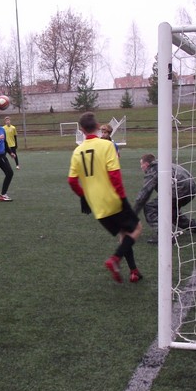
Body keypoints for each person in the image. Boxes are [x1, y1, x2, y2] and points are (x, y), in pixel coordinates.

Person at [68, 112, 143, 283]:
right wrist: (122, 198)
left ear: (81, 130)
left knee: (124, 233)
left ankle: (134, 270)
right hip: (113, 200)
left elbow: (72, 181)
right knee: (137, 228)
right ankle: (115, 259)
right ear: (97, 126)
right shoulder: (106, 146)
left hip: (97, 207)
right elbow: (115, 175)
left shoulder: (77, 151)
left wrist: (84, 196)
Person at [133, 153, 196, 244]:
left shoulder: (153, 169)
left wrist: (133, 214)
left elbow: (144, 194)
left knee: (150, 208)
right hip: (192, 189)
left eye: (141, 164)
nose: (141, 167)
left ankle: (164, 235)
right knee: (173, 213)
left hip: (179, 189)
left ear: (146, 164)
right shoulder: (163, 163)